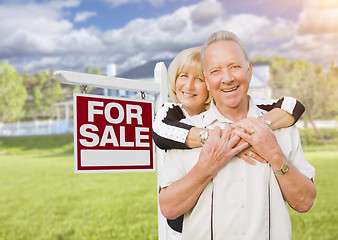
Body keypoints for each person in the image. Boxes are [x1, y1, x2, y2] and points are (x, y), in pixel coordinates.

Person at [158, 30, 316, 240]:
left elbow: (304, 202)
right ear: (207, 79)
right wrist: (207, 167)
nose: (227, 78)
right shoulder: (186, 132)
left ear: (249, 71)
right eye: (216, 71)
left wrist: (275, 155)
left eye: (235, 67)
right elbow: (168, 208)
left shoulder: (283, 127)